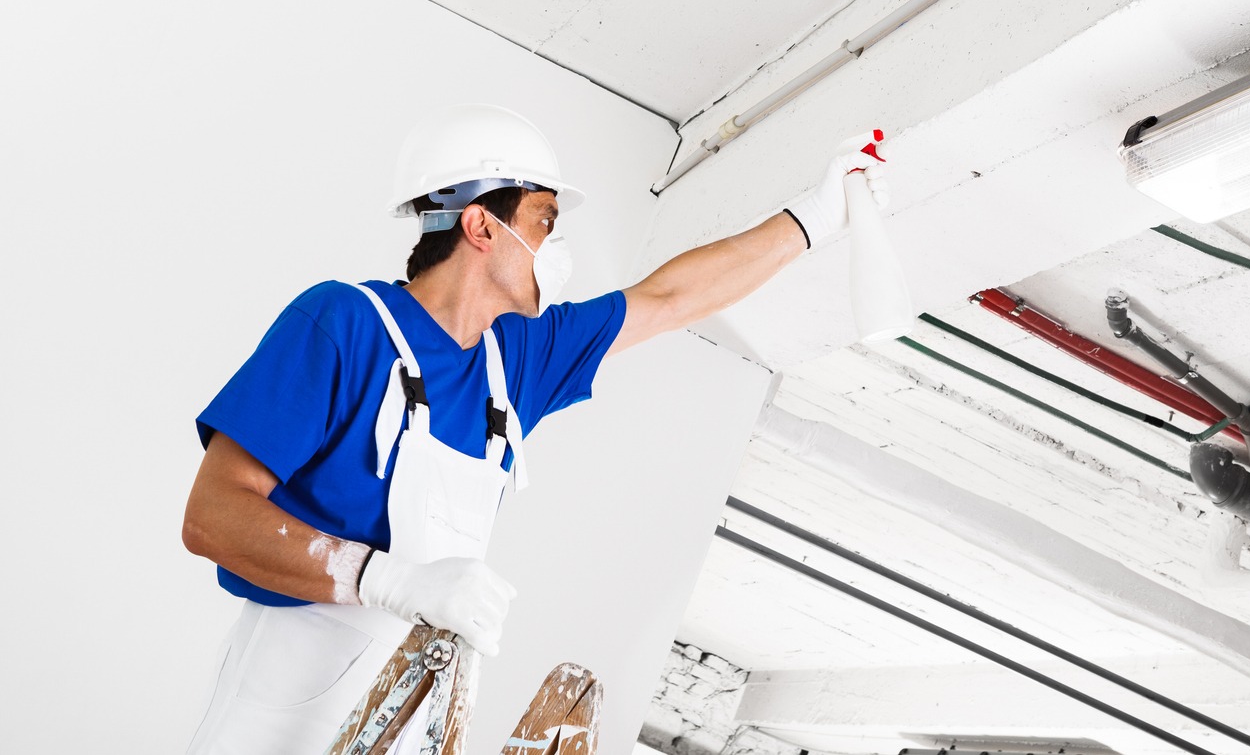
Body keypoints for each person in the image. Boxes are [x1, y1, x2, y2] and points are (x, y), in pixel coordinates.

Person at [182, 103, 887, 753]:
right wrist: (388, 579)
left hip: (410, 715)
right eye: (545, 219)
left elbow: (671, 298)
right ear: (481, 225)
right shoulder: (345, 324)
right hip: (278, 713)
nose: (555, 245)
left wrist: (816, 217)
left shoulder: (514, 362)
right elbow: (213, 517)